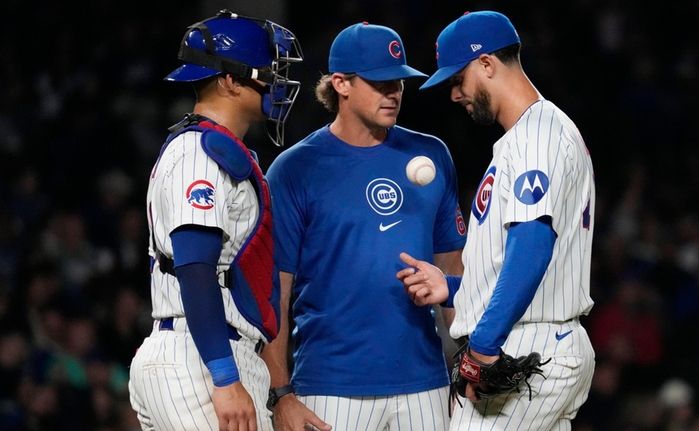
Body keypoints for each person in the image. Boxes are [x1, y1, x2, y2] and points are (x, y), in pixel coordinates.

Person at [262, 22, 466, 431]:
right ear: (341, 84)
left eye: (399, 82)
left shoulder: (432, 153)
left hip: (424, 381)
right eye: (380, 83)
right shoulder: (295, 169)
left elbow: (453, 270)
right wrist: (281, 393)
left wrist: (469, 359)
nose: (393, 93)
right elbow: (274, 295)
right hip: (330, 386)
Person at [397, 11, 596, 430]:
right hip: (539, 337)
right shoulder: (531, 135)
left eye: (457, 79)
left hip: (527, 342)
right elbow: (518, 260)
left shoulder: (536, 139)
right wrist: (453, 288)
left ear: (487, 64)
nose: (454, 94)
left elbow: (533, 243)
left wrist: (484, 345)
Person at [128, 10, 303, 431]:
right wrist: (224, 379)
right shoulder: (199, 153)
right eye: (266, 71)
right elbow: (195, 268)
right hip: (201, 360)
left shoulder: (215, 149)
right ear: (229, 80)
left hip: (200, 351)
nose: (275, 83)